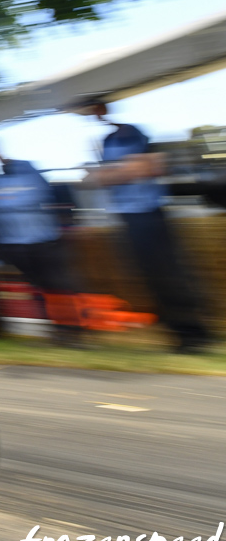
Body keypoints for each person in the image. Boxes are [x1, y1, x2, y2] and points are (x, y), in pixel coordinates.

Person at [77, 98, 213, 354]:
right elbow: (105, 176)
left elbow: (143, 168)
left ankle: (194, 335)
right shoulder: (107, 141)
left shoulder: (131, 133)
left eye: (96, 109)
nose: (93, 115)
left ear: (104, 109)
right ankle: (177, 332)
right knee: (150, 277)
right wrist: (114, 173)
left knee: (170, 275)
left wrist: (108, 174)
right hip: (128, 217)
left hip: (148, 213)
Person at [0, 138, 86, 346]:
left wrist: (67, 224)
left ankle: (74, 330)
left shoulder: (26, 169)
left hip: (45, 240)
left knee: (59, 285)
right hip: (14, 245)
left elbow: (51, 195)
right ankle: (58, 330)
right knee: (39, 289)